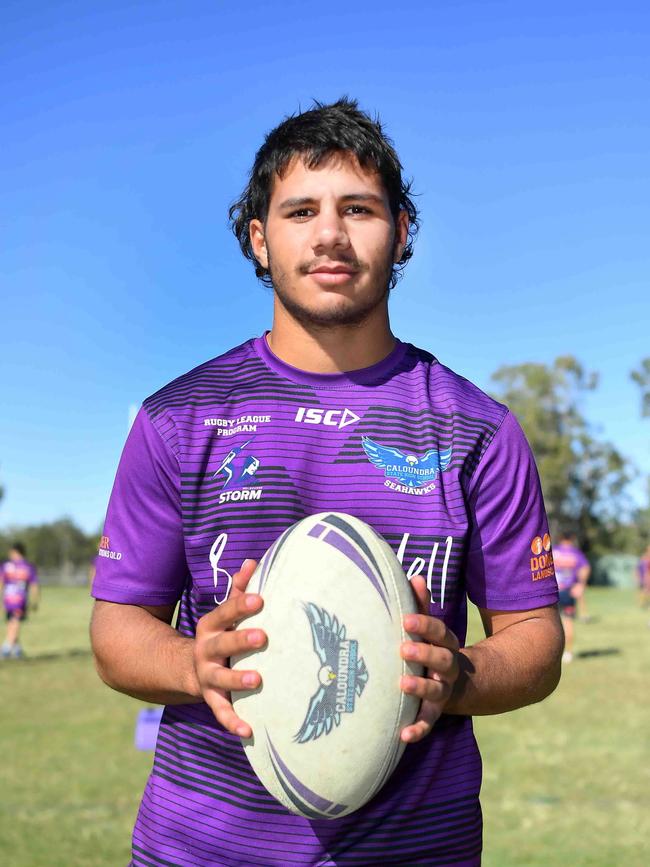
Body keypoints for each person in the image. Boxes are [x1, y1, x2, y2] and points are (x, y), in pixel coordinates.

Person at [90, 98, 563, 867]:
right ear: (259, 238)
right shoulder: (178, 418)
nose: (330, 233)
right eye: (300, 209)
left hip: (419, 848)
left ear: (401, 229)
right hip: (202, 848)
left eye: (360, 208)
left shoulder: (478, 429)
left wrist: (461, 675)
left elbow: (536, 639)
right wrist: (189, 663)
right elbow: (115, 632)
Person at [553, 531, 590, 662]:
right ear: (572, 538)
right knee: (568, 622)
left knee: (550, 623)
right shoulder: (576, 553)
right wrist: (581, 584)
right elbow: (585, 568)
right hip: (568, 592)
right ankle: (568, 653)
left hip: (551, 591)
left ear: (560, 537)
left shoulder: (553, 550)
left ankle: (550, 653)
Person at [2, 542, 39, 659]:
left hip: (9, 599)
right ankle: (13, 649)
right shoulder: (29, 566)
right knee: (13, 623)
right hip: (20, 599)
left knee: (12, 623)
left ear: (15, 552)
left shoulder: (6, 566)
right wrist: (35, 600)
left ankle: (7, 648)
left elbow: (1, 582)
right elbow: (34, 586)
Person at [637, 544, 650, 609]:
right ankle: (642, 604)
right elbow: (639, 568)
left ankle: (645, 604)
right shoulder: (644, 558)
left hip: (647, 577)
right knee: (644, 591)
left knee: (646, 591)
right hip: (645, 577)